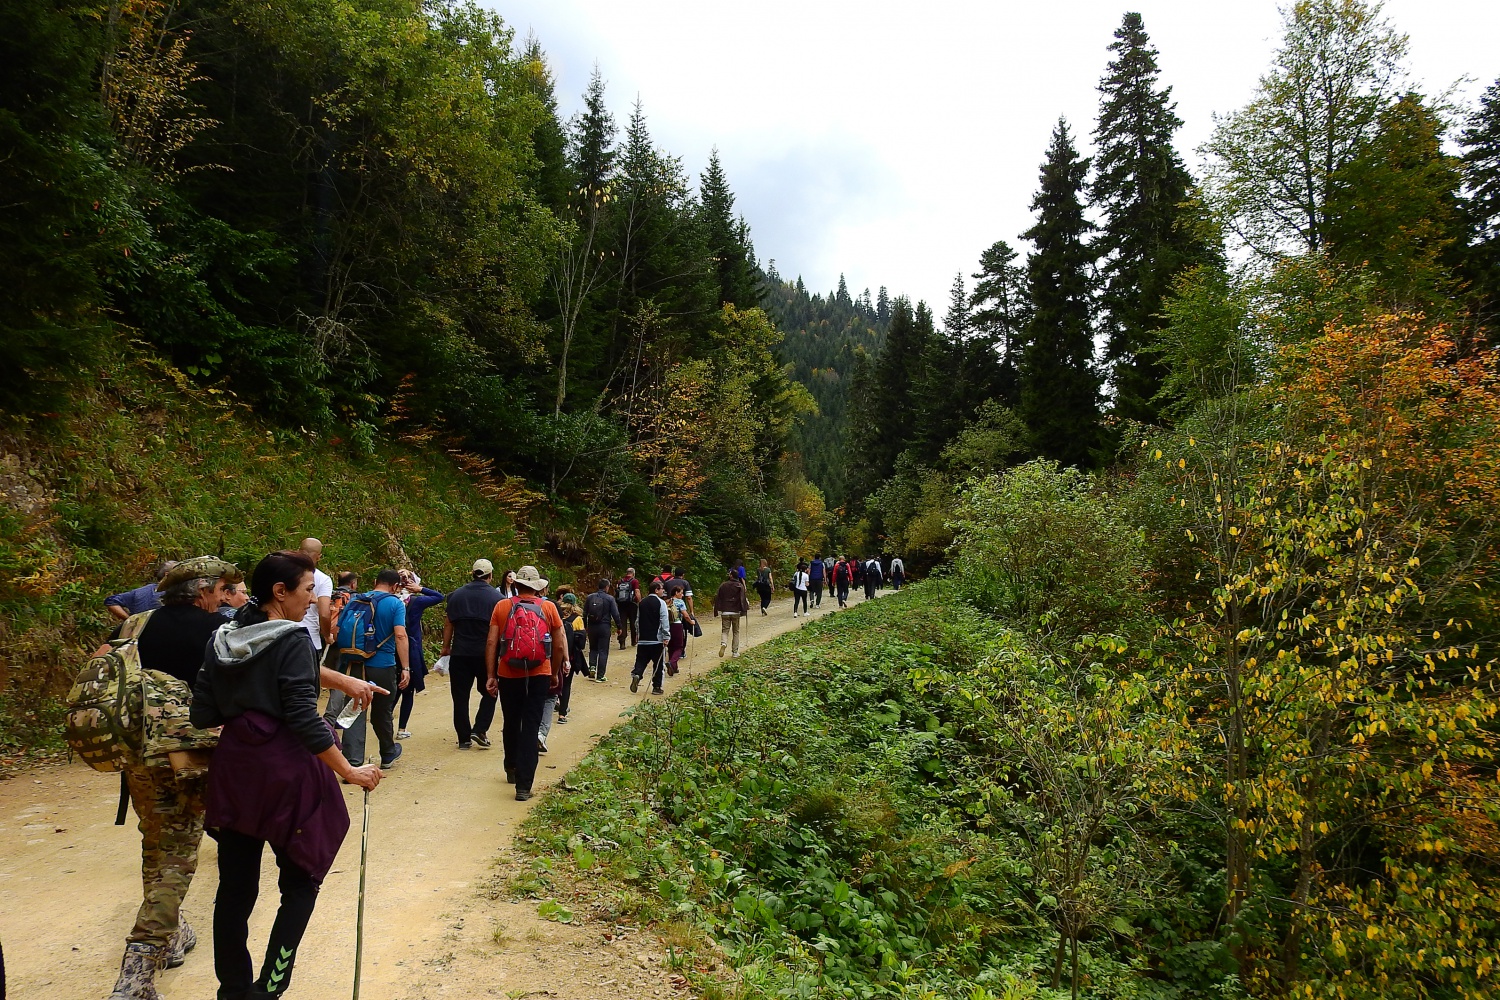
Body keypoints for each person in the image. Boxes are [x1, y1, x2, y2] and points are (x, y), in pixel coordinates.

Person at [191, 550, 383, 1000]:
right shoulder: (294, 638)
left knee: (235, 888)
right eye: (307, 591)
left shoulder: (225, 635)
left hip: (235, 770)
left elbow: (203, 711)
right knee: (300, 881)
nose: (313, 600)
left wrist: (251, 707)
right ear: (281, 592)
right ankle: (270, 989)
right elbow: (301, 715)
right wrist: (349, 771)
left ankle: (233, 990)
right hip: (284, 774)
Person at [101, 556, 241, 1000]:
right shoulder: (218, 631)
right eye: (221, 588)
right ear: (202, 591)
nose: (224, 596)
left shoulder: (135, 626)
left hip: (138, 755)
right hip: (190, 759)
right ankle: (136, 972)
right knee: (176, 859)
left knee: (156, 842)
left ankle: (174, 932)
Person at [485, 566, 568, 801]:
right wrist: (553, 673)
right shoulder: (549, 607)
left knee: (511, 721)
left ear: (517, 584)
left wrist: (491, 675)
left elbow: (492, 642)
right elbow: (560, 644)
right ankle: (523, 786)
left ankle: (511, 767)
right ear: (538, 586)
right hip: (539, 673)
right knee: (531, 725)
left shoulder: (502, 606)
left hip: (508, 673)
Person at [334, 569, 410, 770]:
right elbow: (401, 636)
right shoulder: (395, 603)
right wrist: (406, 667)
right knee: (382, 711)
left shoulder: (356, 600)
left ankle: (352, 760)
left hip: (355, 665)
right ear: (395, 586)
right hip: (382, 665)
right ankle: (387, 753)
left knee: (355, 707)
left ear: (376, 581)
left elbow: (337, 630)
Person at [440, 560, 502, 750]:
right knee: (490, 691)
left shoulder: (455, 596)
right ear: (490, 576)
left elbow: (449, 623)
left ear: (472, 573)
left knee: (460, 696)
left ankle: (464, 738)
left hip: (460, 652)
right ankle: (480, 729)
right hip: (486, 654)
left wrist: (446, 647)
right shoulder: (497, 598)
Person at [396, 570, 444, 740]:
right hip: (411, 649)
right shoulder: (416, 601)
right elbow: (439, 597)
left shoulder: (390, 601)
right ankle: (401, 729)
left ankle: (385, 724)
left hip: (391, 648)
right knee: (407, 690)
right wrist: (420, 589)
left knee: (393, 689)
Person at [553, 592, 587, 727]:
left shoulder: (556, 616)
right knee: (566, 684)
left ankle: (555, 702)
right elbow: (582, 643)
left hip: (555, 656)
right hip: (570, 657)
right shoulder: (577, 619)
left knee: (556, 681)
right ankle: (562, 714)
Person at [630, 579, 670, 695]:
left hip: (643, 639)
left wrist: (638, 635)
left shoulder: (641, 603)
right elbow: (664, 620)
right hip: (656, 640)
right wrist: (666, 636)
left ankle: (637, 674)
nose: (663, 591)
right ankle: (656, 687)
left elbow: (637, 621)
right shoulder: (661, 603)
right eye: (661, 589)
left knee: (641, 660)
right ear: (656, 590)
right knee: (658, 664)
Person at [104, 560, 177, 622]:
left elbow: (111, 601)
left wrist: (130, 620)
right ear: (167, 574)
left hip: (138, 634)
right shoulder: (175, 592)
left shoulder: (139, 591)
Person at [297, 538, 333, 658]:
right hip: (310, 640)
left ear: (298, 551)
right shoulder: (323, 579)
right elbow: (324, 613)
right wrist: (327, 635)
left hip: (282, 637)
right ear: (319, 556)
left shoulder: (284, 572)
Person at [585, 578, 622, 680]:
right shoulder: (610, 599)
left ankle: (592, 667)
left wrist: (585, 626)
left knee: (593, 648)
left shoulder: (590, 597)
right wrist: (619, 627)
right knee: (603, 650)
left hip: (592, 626)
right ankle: (600, 676)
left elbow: (585, 613)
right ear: (607, 587)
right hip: (604, 627)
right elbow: (615, 614)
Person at [713, 568, 749, 658]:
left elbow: (718, 597)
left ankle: (724, 643)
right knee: (736, 631)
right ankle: (735, 652)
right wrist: (744, 608)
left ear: (731, 575)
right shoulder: (740, 586)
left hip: (725, 611)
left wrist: (717, 609)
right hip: (736, 612)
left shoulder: (723, 585)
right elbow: (742, 599)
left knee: (725, 630)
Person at [665, 581, 693, 676]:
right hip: (677, 625)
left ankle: (674, 668)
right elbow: (685, 615)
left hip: (668, 626)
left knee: (671, 645)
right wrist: (691, 621)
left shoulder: (667, 601)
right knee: (679, 647)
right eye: (681, 592)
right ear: (676, 593)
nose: (682, 595)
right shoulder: (680, 602)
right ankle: (672, 662)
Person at [613, 568, 640, 648]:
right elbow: (637, 592)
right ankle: (634, 641)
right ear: (633, 573)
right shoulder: (634, 581)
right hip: (632, 604)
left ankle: (622, 642)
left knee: (622, 622)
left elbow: (616, 592)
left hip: (621, 604)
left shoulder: (620, 581)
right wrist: (639, 602)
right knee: (633, 622)